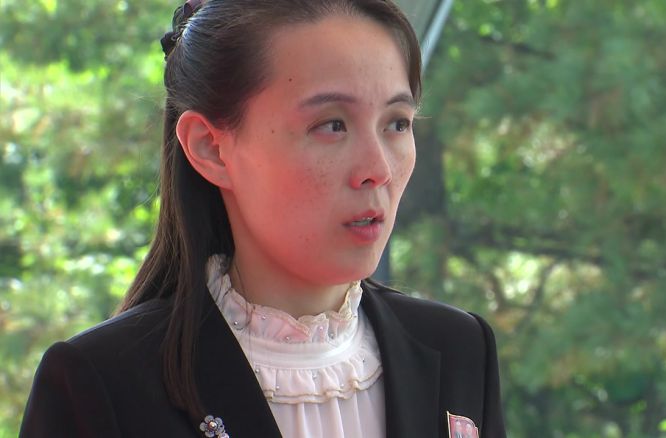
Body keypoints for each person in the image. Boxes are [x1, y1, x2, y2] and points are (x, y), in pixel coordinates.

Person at [20, 0, 506, 437]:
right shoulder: (101, 384)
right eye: (331, 125)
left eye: (397, 123)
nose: (377, 169)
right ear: (211, 148)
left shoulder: (459, 350)